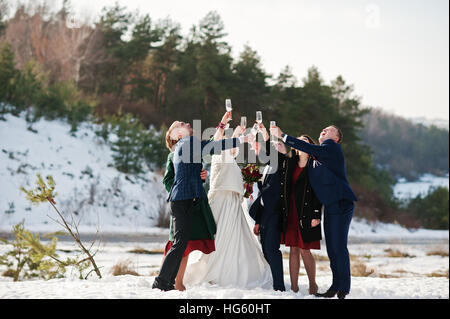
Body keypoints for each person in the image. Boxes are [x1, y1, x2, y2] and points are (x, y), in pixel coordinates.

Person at [152, 112, 254, 292]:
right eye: (181, 123)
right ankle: (161, 282)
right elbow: (212, 146)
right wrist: (239, 140)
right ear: (177, 135)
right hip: (183, 201)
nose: (186, 122)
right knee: (178, 244)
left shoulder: (187, 145)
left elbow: (204, 152)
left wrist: (199, 176)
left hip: (188, 200)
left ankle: (167, 282)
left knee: (180, 243)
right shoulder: (187, 142)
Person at [270, 125, 357, 299]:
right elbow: (301, 156)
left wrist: (283, 136)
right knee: (332, 249)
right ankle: (335, 285)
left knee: (339, 247)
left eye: (330, 130)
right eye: (323, 129)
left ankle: (343, 288)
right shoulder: (317, 157)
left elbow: (309, 148)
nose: (324, 130)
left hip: (341, 202)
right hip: (331, 205)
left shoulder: (331, 147)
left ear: (337, 138)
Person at [183, 123, 272, 289]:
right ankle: (210, 270)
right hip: (220, 199)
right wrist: (226, 125)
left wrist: (246, 183)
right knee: (217, 233)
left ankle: (233, 271)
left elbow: (235, 148)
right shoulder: (217, 149)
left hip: (233, 200)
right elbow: (221, 138)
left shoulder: (231, 154)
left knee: (235, 235)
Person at [162, 135, 216, 291]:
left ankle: (175, 282)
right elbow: (167, 181)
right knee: (176, 245)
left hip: (193, 203)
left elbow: (209, 145)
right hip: (179, 202)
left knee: (187, 243)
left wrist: (201, 178)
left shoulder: (193, 153)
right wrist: (180, 190)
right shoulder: (172, 156)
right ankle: (168, 281)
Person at [275, 135, 322, 295]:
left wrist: (317, 214)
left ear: (310, 147)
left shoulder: (315, 165)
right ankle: (294, 287)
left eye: (306, 141)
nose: (302, 142)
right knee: (293, 250)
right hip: (290, 211)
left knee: (305, 249)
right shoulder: (290, 163)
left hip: (307, 212)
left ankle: (312, 285)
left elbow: (318, 192)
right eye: (299, 140)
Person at [248, 123, 286, 292]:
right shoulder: (268, 168)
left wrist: (265, 136)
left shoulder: (284, 165)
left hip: (276, 214)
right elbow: (262, 194)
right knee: (265, 250)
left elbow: (273, 156)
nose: (276, 146)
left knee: (272, 249)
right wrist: (258, 220)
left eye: (280, 145)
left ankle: (279, 286)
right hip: (265, 215)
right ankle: (273, 281)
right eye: (275, 145)